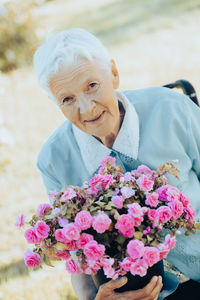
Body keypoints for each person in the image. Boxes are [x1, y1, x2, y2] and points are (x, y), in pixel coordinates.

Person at [33, 28, 200, 300]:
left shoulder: (173, 109)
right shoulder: (53, 160)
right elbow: (78, 258)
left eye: (92, 86)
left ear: (113, 73)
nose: (87, 109)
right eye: (68, 99)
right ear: (56, 104)